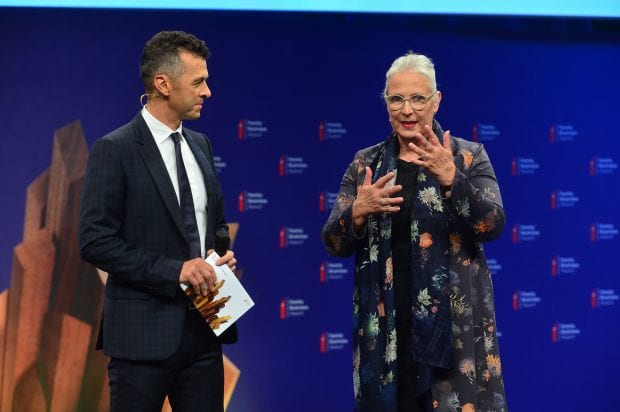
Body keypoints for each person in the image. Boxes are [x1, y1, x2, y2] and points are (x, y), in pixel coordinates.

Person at [321, 52, 507, 412]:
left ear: (436, 101)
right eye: (396, 99)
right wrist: (358, 211)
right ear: (386, 102)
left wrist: (453, 179)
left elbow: (492, 223)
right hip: (387, 327)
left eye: (418, 98)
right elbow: (333, 240)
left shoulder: (467, 157)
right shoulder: (367, 164)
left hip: (454, 332)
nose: (407, 110)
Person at [79, 30, 237, 411]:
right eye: (198, 82)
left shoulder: (201, 145)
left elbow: (213, 222)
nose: (207, 92)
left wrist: (219, 256)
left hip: (205, 331)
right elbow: (95, 240)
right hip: (141, 341)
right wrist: (176, 271)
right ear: (162, 84)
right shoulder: (114, 150)